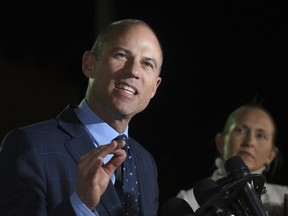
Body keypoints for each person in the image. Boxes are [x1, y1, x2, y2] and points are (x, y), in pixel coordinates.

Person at [0, 18, 163, 216]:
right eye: (121, 55)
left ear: (154, 88)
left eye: (147, 64)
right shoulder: (29, 146)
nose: (133, 70)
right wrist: (80, 204)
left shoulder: (146, 162)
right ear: (89, 64)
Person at [177, 103, 288, 216]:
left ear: (271, 155)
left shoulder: (282, 200)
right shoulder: (188, 202)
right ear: (221, 142)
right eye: (240, 130)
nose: (250, 142)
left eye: (260, 135)